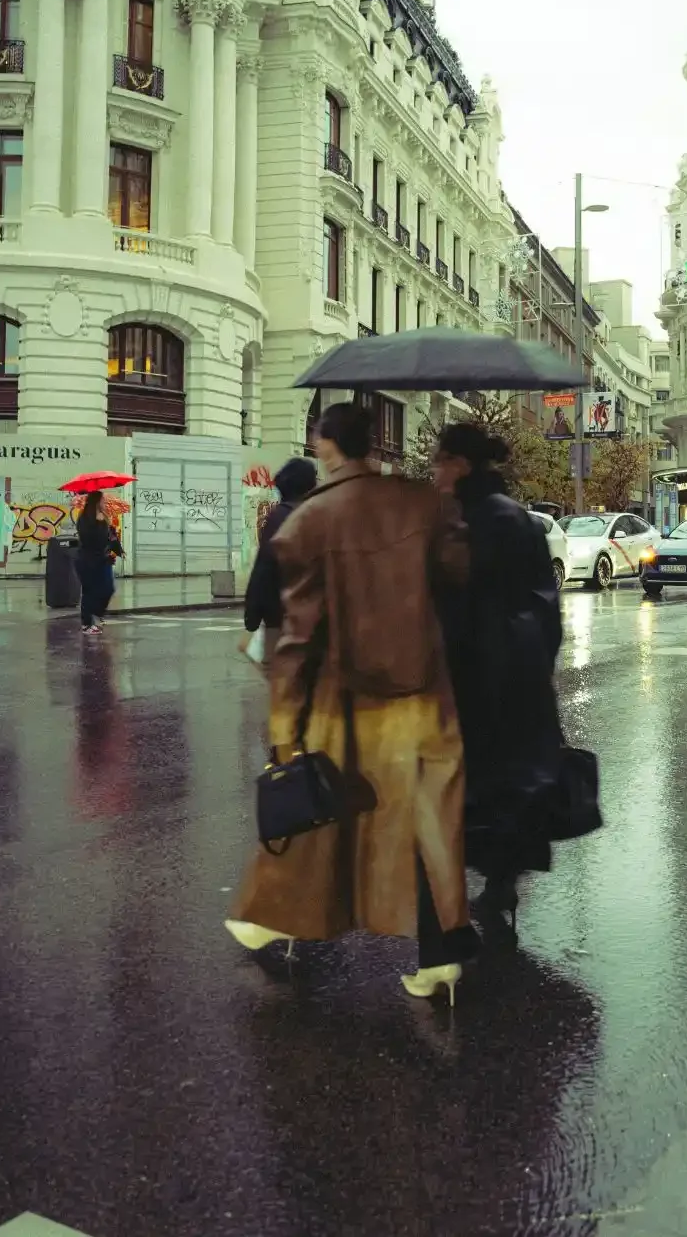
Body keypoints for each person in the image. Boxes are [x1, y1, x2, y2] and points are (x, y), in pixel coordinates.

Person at [226, 404, 477, 1005]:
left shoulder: (310, 520)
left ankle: (273, 915)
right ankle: (442, 952)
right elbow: (459, 581)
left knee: (322, 813)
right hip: (427, 698)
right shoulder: (423, 502)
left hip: (352, 703)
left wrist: (284, 722)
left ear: (325, 444)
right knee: (426, 828)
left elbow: (298, 636)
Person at [432, 423, 565, 932]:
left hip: (474, 672)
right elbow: (545, 605)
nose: (435, 472)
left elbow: (458, 603)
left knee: (477, 781)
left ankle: (471, 892)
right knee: (507, 781)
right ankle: (499, 883)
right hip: (518, 671)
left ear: (460, 465)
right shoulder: (519, 519)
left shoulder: (471, 523)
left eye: (440, 461)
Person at [240, 457, 318, 668]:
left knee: (281, 679)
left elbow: (265, 567)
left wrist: (253, 615)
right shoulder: (317, 516)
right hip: (312, 620)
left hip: (279, 616)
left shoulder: (279, 517)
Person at [75, 491, 122, 635]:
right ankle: (86, 624)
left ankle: (97, 613)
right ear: (96, 501)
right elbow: (89, 540)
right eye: (102, 500)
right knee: (89, 592)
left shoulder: (105, 517)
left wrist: (117, 547)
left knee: (108, 589)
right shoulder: (84, 519)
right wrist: (100, 524)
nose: (104, 502)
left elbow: (110, 538)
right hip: (87, 560)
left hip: (103, 559)